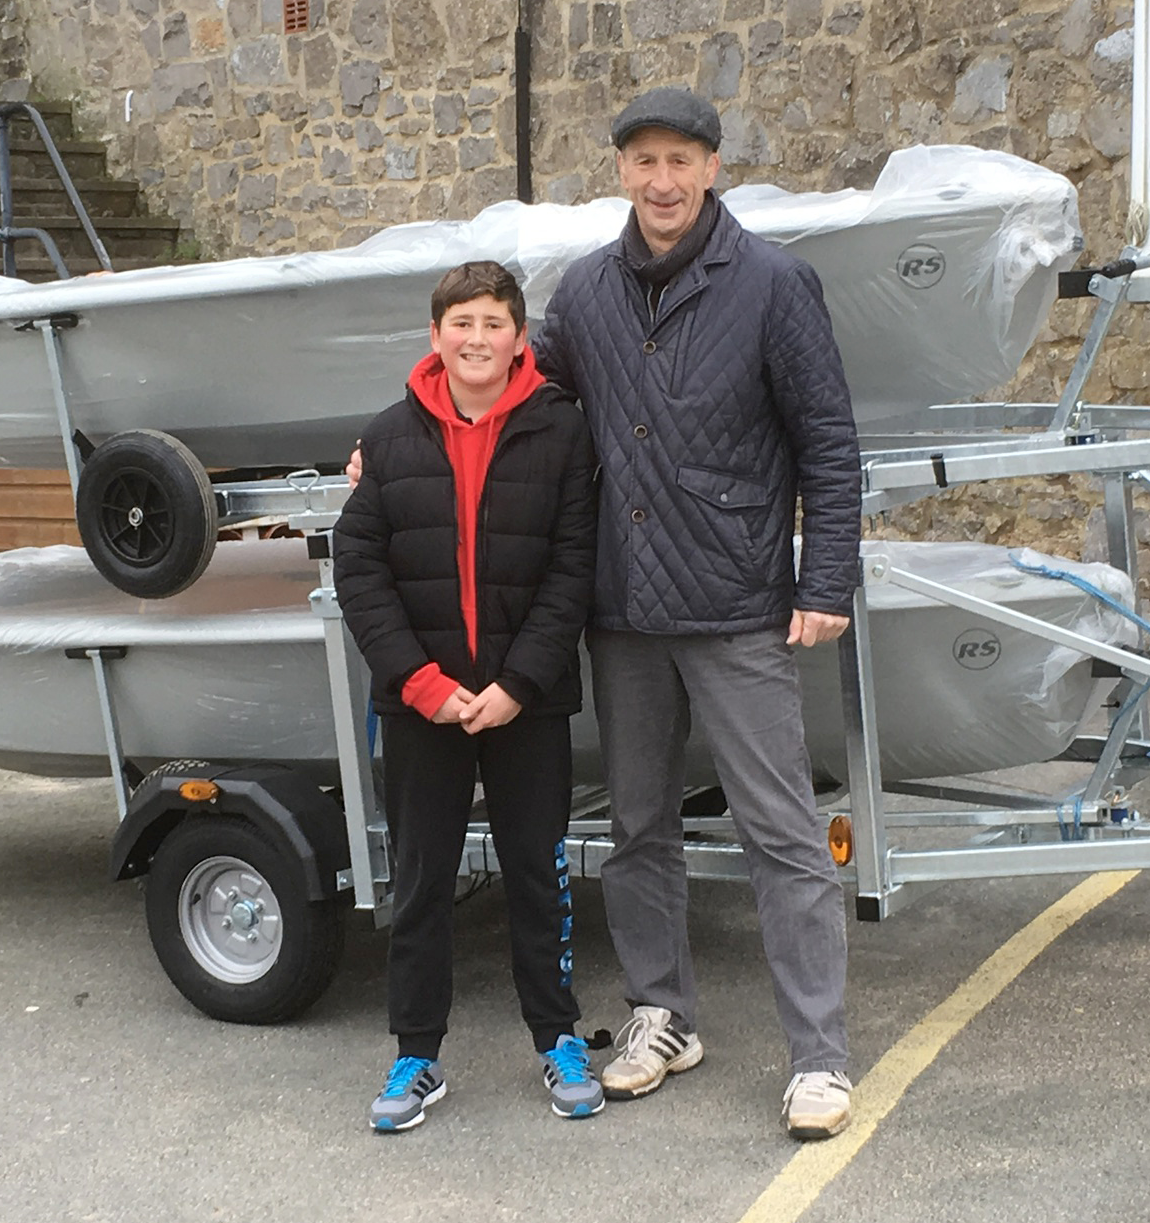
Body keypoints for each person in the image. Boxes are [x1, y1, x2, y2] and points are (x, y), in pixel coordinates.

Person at [535, 86, 863, 1140]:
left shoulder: (772, 284)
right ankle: (660, 1015)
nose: (662, 181)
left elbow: (827, 442)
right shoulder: (584, 293)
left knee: (780, 835)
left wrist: (825, 583)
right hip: (622, 608)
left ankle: (816, 1058)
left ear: (712, 168)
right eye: (643, 162)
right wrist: (396, 424)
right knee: (636, 832)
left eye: (681, 160)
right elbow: (518, 399)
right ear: (620, 172)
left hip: (734, 606)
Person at [332, 259, 602, 1132]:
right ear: (435, 336)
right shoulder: (389, 439)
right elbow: (360, 569)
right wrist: (422, 683)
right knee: (420, 879)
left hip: (530, 701)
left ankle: (557, 1038)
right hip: (425, 705)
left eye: (494, 323)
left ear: (520, 337)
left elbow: (574, 568)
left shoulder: (562, 432)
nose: (477, 338)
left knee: (538, 871)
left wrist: (518, 683)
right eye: (462, 323)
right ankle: (416, 1052)